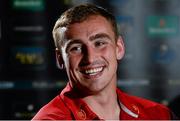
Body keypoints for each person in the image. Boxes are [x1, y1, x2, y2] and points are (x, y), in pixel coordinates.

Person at [32, 3, 178, 120]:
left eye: (100, 43)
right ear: (60, 59)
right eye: (76, 48)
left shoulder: (159, 115)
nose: (90, 58)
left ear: (119, 48)